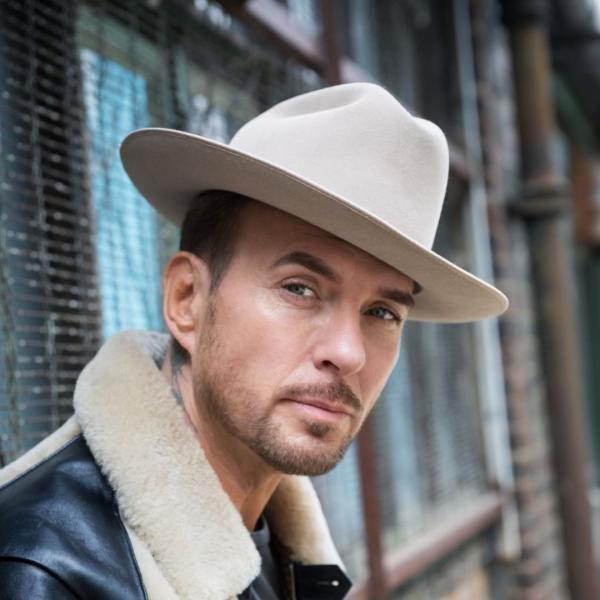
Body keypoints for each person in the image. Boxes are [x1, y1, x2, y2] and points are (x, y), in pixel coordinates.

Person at [0, 82, 508, 599]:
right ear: (187, 299)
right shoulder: (42, 572)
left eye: (381, 311)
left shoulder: (280, 545)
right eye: (299, 288)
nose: (349, 352)